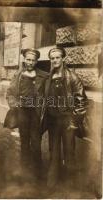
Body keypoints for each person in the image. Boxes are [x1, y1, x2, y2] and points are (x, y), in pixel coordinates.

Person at [41, 47, 87, 188]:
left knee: (69, 152)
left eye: (57, 57)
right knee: (53, 151)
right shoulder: (48, 78)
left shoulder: (72, 77)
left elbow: (81, 101)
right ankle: (52, 181)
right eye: (52, 58)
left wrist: (74, 121)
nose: (55, 60)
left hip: (68, 121)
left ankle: (70, 184)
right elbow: (44, 99)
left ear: (63, 59)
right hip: (53, 121)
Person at [6, 48, 49, 183]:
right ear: (24, 60)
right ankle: (24, 171)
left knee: (36, 143)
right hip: (23, 113)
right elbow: (10, 93)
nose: (30, 62)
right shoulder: (18, 76)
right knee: (24, 142)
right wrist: (14, 105)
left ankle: (38, 173)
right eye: (28, 59)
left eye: (33, 60)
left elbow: (49, 93)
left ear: (36, 61)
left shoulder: (44, 76)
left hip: (36, 114)